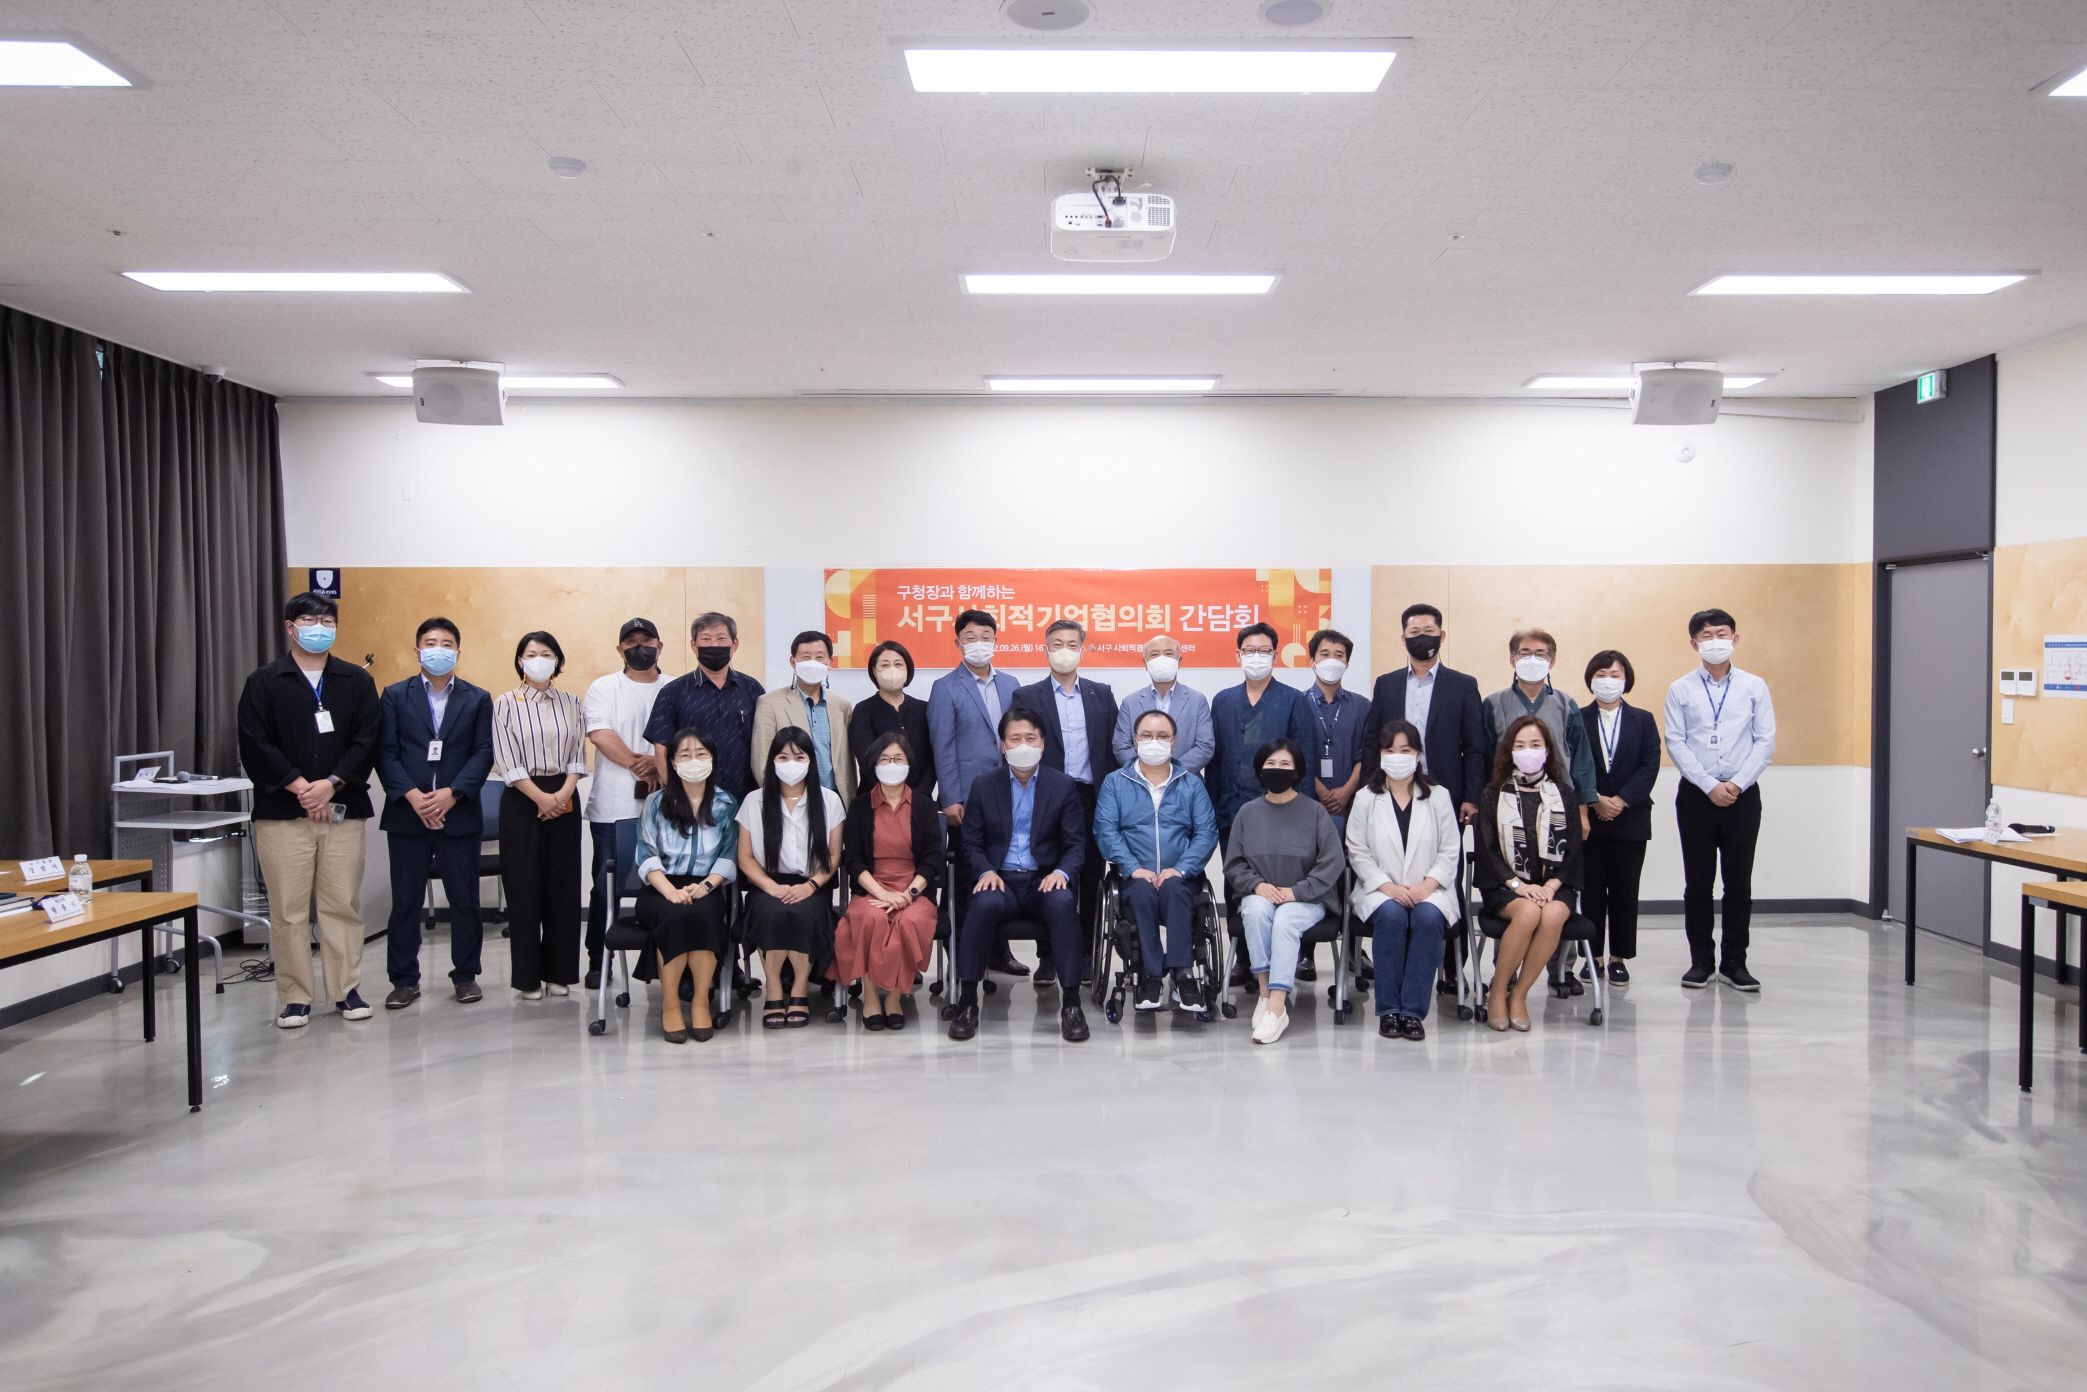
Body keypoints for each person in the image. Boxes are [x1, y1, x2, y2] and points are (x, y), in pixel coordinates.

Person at [237, 591, 382, 1029]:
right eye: (309, 621)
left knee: (342, 905)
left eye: (327, 622)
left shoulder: (355, 680)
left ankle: (346, 990)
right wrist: (302, 787)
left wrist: (330, 784)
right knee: (288, 910)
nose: (319, 628)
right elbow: (254, 743)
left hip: (342, 810)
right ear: (290, 627)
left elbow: (367, 739)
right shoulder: (264, 681)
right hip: (283, 813)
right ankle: (295, 997)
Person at [947, 709, 1090, 1042]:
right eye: (1015, 739)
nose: (1023, 745)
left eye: (1030, 738)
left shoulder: (1062, 786)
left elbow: (1076, 845)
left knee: (1063, 904)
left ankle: (1071, 1004)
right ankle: (967, 1002)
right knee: (982, 905)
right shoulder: (984, 785)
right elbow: (970, 842)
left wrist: (1061, 872)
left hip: (1043, 880)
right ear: (1003, 745)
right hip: (1000, 880)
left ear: (1042, 744)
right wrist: (985, 870)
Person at [375, 617, 494, 1008]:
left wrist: (452, 794)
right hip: (407, 815)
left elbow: (483, 752)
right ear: (417, 651)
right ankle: (404, 980)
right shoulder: (395, 695)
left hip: (458, 814)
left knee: (465, 900)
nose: (438, 649)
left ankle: (465, 976)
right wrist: (413, 796)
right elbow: (385, 753)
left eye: (446, 644)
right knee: (405, 902)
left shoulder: (477, 698)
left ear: (458, 652)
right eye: (430, 643)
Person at [1662, 609, 1775, 992]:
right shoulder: (1680, 689)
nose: (1715, 641)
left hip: (1743, 796)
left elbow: (1765, 741)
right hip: (1696, 795)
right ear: (1694, 643)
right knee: (1698, 883)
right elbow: (1675, 742)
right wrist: (1709, 784)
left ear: (1735, 639)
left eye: (1721, 634)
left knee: (1738, 883)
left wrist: (1738, 784)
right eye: (1706, 635)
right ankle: (1701, 962)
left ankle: (1734, 963)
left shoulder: (1754, 686)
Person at [1013, 618, 1120, 986]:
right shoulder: (1027, 696)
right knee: (1047, 872)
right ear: (1046, 650)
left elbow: (1111, 751)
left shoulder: (1101, 694)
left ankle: (1086, 953)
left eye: (1072, 644)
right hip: (1045, 796)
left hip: (1091, 796)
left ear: (1082, 650)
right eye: (1057, 644)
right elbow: (1018, 745)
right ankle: (1048, 955)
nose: (1064, 651)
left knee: (1090, 875)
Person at [1093, 709, 1220, 1014]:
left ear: (1173, 741)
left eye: (1162, 736)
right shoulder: (1115, 782)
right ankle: (1151, 976)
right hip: (1134, 876)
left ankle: (1183, 975)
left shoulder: (1192, 784)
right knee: (1142, 892)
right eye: (1147, 735)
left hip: (1182, 876)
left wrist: (1180, 868)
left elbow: (1206, 833)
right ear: (1135, 740)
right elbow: (1106, 831)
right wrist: (1133, 868)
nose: (1154, 741)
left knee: (1175, 889)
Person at [1223, 739, 1345, 1045]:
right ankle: (1265, 992)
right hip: (1260, 894)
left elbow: (1333, 862)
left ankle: (1277, 1006)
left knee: (1286, 919)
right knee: (1254, 912)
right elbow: (1234, 864)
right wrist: (1257, 885)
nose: (1277, 770)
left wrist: (1298, 891)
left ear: (1298, 771)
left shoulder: (1315, 812)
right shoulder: (1247, 813)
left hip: (1307, 898)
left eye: (1285, 764)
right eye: (1271, 764)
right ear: (1259, 770)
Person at [1347, 720, 1462, 1041]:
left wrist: (1427, 886)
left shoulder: (1439, 796)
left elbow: (1450, 849)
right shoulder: (1365, 798)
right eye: (1390, 750)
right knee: (1392, 916)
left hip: (1430, 890)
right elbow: (1357, 850)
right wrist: (1387, 887)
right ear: (1381, 755)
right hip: (1380, 890)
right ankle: (1388, 1009)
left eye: (1405, 750)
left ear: (1418, 755)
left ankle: (1412, 1011)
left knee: (1428, 918)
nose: (1397, 757)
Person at [926, 609, 1026, 977]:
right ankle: (960, 954)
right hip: (966, 800)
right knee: (967, 877)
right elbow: (942, 747)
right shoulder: (945, 687)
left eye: (986, 637)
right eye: (971, 637)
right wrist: (951, 798)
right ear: (958, 643)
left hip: (1010, 796)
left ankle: (999, 951)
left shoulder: (1012, 684)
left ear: (996, 641)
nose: (979, 643)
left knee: (1003, 872)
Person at [492, 631, 589, 1000]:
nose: (538, 660)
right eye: (531, 653)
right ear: (520, 661)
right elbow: (506, 759)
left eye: (546, 653)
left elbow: (578, 754)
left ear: (557, 661)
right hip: (522, 798)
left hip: (564, 795)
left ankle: (559, 972)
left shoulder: (572, 701)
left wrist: (562, 794)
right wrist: (540, 798)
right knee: (524, 888)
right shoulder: (505, 703)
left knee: (563, 888)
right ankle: (528, 977)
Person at [1470, 714, 1582, 1032]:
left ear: (1547, 750)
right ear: (1509, 751)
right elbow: (1487, 850)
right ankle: (1497, 991)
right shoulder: (1492, 793)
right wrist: (1519, 886)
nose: (1528, 751)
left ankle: (1518, 995)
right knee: (1530, 911)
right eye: (1520, 745)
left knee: (1552, 914)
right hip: (1505, 886)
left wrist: (1551, 885)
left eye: (1535, 744)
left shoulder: (1564, 793)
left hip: (1553, 885)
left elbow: (1574, 849)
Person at [737, 727, 846, 1028]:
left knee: (804, 915)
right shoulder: (754, 801)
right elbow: (745, 857)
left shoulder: (829, 800)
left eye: (799, 757)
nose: (791, 764)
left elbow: (834, 855)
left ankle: (799, 990)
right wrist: (771, 887)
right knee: (771, 914)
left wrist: (811, 886)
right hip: (767, 884)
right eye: (783, 757)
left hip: (813, 884)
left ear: (811, 761)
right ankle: (773, 988)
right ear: (772, 761)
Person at [834, 732, 944, 1031]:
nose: (892, 765)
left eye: (898, 759)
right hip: (872, 889)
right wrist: (882, 893)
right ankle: (871, 996)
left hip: (914, 890)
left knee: (910, 921)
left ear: (909, 764)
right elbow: (853, 859)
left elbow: (933, 858)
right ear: (873, 764)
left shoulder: (924, 806)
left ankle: (894, 998)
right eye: (885, 759)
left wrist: (908, 893)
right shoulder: (860, 807)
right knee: (871, 918)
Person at [634, 728, 738, 1043]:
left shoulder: (726, 803)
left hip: (707, 886)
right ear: (673, 763)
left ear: (712, 760)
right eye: (685, 755)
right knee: (676, 915)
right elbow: (646, 854)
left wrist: (706, 886)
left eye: (701, 754)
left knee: (703, 915)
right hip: (661, 886)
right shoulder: (656, 802)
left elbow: (729, 853)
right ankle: (670, 1006)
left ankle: (700, 1002)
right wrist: (669, 890)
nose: (694, 760)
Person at [581, 618, 667, 989]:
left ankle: (663, 959)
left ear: (660, 646)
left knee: (665, 885)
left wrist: (660, 766)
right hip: (614, 808)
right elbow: (600, 734)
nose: (639, 647)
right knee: (606, 887)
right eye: (631, 641)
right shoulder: (604, 687)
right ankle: (598, 961)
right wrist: (640, 763)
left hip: (666, 809)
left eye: (647, 640)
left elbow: (685, 738)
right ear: (620, 649)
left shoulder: (674, 687)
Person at [1361, 604, 1487, 824]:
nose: (1422, 637)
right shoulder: (1386, 684)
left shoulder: (1463, 685)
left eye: (1429, 631)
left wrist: (1472, 797)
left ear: (1442, 636)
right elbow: (1372, 742)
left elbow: (1474, 746)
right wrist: (1368, 789)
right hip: (1392, 791)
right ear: (1404, 639)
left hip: (1447, 793)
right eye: (1414, 632)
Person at [1579, 650, 1661, 985]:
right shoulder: (1577, 718)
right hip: (1590, 818)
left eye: (1615, 674)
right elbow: (1571, 763)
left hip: (1631, 819)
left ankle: (1618, 958)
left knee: (1625, 892)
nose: (1608, 681)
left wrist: (1622, 800)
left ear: (1626, 680)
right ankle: (1593, 957)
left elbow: (1650, 764)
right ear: (1590, 680)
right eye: (1601, 674)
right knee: (1592, 891)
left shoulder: (1643, 719)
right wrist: (1594, 798)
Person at [1208, 623, 1319, 849]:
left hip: (1281, 810)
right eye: (1249, 650)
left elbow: (1305, 760)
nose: (1256, 656)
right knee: (1236, 869)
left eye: (1264, 651)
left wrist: (1303, 812)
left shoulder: (1293, 700)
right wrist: (1213, 809)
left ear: (1275, 656)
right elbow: (1215, 762)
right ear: (1238, 655)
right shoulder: (1223, 701)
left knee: (1276, 869)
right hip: (1231, 811)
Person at [1481, 627, 1600, 835]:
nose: (1532, 659)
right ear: (1513, 660)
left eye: (1540, 654)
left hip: (1559, 801)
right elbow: (1483, 758)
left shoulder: (1565, 704)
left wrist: (1582, 810)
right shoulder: (1494, 704)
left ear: (1551, 661)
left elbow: (1581, 760)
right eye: (1525, 653)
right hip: (1506, 803)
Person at [645, 611, 764, 801]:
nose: (714, 645)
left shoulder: (752, 688)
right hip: (692, 798)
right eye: (706, 639)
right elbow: (662, 749)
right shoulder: (673, 692)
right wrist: (677, 796)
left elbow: (764, 743)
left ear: (734, 644)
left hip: (746, 796)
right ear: (694, 645)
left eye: (721, 638)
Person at [752, 629, 856, 802]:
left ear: (830, 662)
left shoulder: (842, 706)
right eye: (806, 657)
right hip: (789, 798)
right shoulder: (769, 703)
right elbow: (761, 761)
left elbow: (847, 764)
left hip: (836, 798)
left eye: (819, 657)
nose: (813, 663)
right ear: (793, 662)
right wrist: (781, 801)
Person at [1111, 633, 1214, 774]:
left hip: (1185, 781)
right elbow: (1121, 746)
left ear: (1179, 660)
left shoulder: (1197, 700)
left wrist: (1172, 773)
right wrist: (1147, 774)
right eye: (1154, 655)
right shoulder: (1130, 702)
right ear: (1145, 663)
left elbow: (1205, 745)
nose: (1162, 659)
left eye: (1168, 654)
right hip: (1139, 781)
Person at [1303, 628, 1372, 830]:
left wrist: (1346, 791)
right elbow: (1294, 754)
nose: (1331, 661)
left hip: (1352, 804)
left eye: (1339, 655)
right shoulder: (1297, 703)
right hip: (1306, 802)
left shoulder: (1362, 706)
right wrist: (1321, 791)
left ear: (1347, 664)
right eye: (1325, 654)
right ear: (1312, 661)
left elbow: (1368, 754)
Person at [847, 639, 935, 796]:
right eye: (885, 665)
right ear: (874, 671)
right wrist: (892, 797)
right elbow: (867, 761)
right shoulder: (863, 710)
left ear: (908, 669)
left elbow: (932, 759)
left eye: (898, 664)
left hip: (920, 799)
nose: (892, 670)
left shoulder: (924, 709)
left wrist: (917, 797)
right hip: (875, 799)